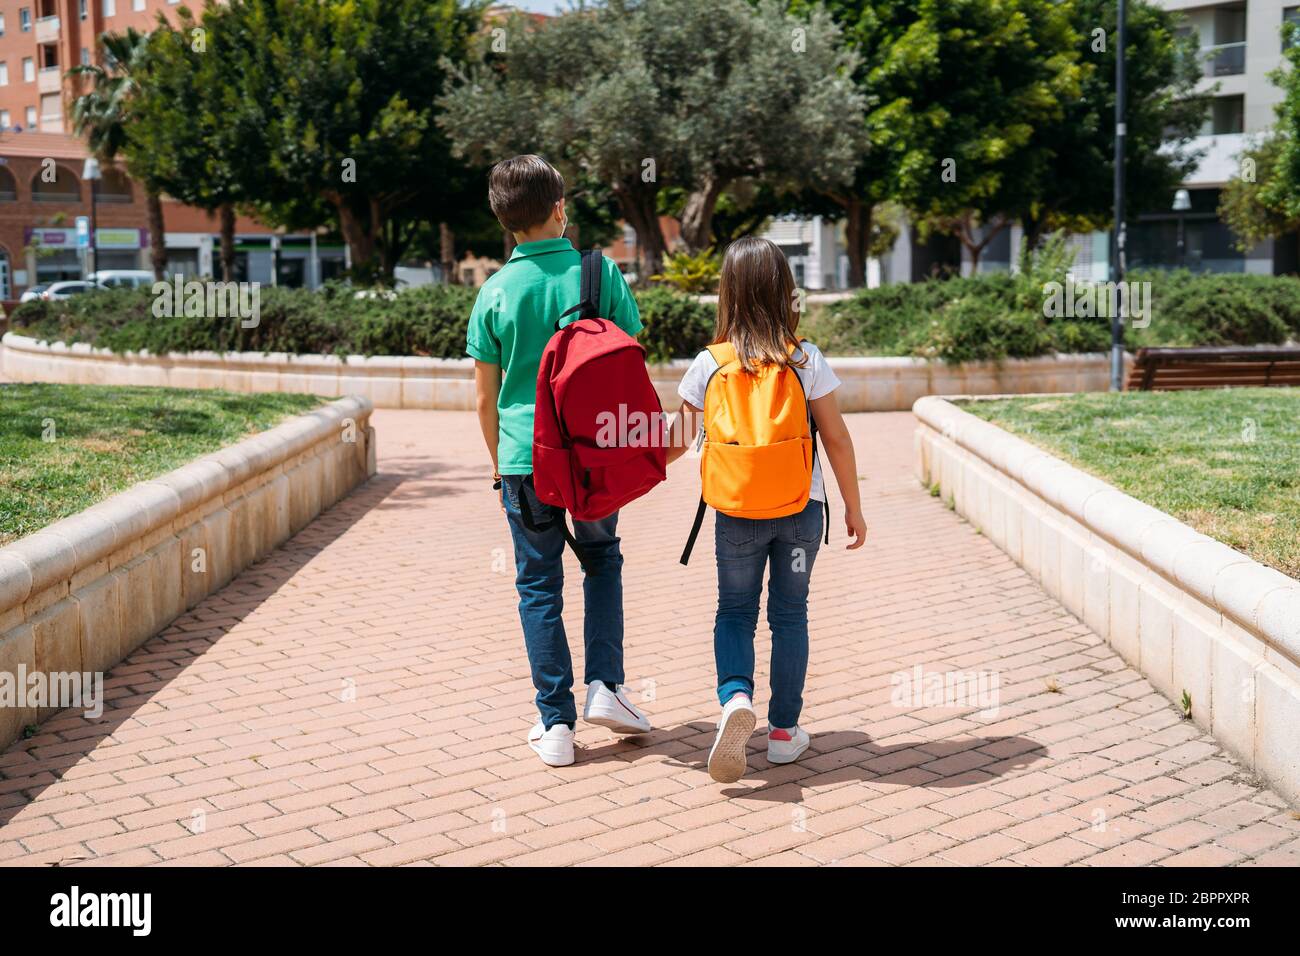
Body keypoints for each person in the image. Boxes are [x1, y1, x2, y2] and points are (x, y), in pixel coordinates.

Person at [468, 155, 651, 768]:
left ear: (503, 220)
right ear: (559, 208)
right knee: (602, 560)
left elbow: (485, 400)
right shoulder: (598, 275)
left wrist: (500, 464)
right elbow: (630, 360)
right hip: (594, 453)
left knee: (538, 584)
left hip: (526, 458)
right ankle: (608, 687)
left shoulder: (493, 292)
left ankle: (555, 725)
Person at [665, 237, 868, 784]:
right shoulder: (805, 357)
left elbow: (677, 440)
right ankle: (783, 733)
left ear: (727, 291)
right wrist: (853, 506)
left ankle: (735, 698)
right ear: (785, 290)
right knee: (789, 614)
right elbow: (838, 439)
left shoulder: (711, 363)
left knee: (734, 611)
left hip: (735, 511)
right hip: (802, 509)